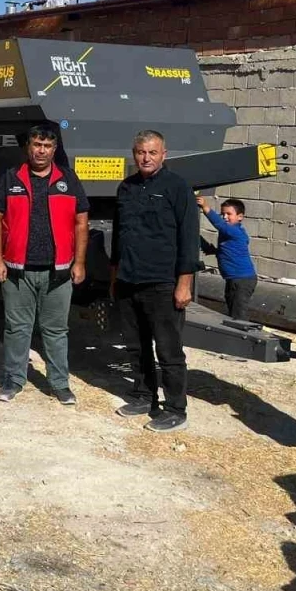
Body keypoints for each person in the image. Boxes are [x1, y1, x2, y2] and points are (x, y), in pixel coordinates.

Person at [0, 123, 90, 405]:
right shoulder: (11, 178)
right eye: (36, 145)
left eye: (47, 146)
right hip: (17, 271)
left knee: (56, 331)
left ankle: (60, 384)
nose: (41, 151)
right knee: (17, 329)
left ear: (54, 149)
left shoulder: (68, 179)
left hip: (58, 272)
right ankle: (13, 380)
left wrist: (80, 262)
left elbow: (81, 222)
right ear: (28, 147)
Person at [109, 130, 197, 432]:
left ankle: (175, 409)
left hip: (162, 282)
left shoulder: (178, 187)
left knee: (169, 350)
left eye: (152, 152)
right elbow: (118, 237)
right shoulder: (126, 188)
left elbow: (188, 239)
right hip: (128, 279)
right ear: (134, 154)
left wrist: (184, 283)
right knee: (136, 346)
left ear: (164, 154)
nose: (146, 158)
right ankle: (144, 397)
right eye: (141, 152)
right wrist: (114, 277)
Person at [197, 196, 258, 320]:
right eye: (222, 214)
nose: (224, 217)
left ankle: (240, 331)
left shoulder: (234, 231)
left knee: (238, 315)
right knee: (233, 310)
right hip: (232, 279)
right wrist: (215, 251)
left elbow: (219, 224)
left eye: (229, 214)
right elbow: (230, 250)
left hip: (242, 280)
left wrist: (205, 207)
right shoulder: (228, 233)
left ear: (240, 217)